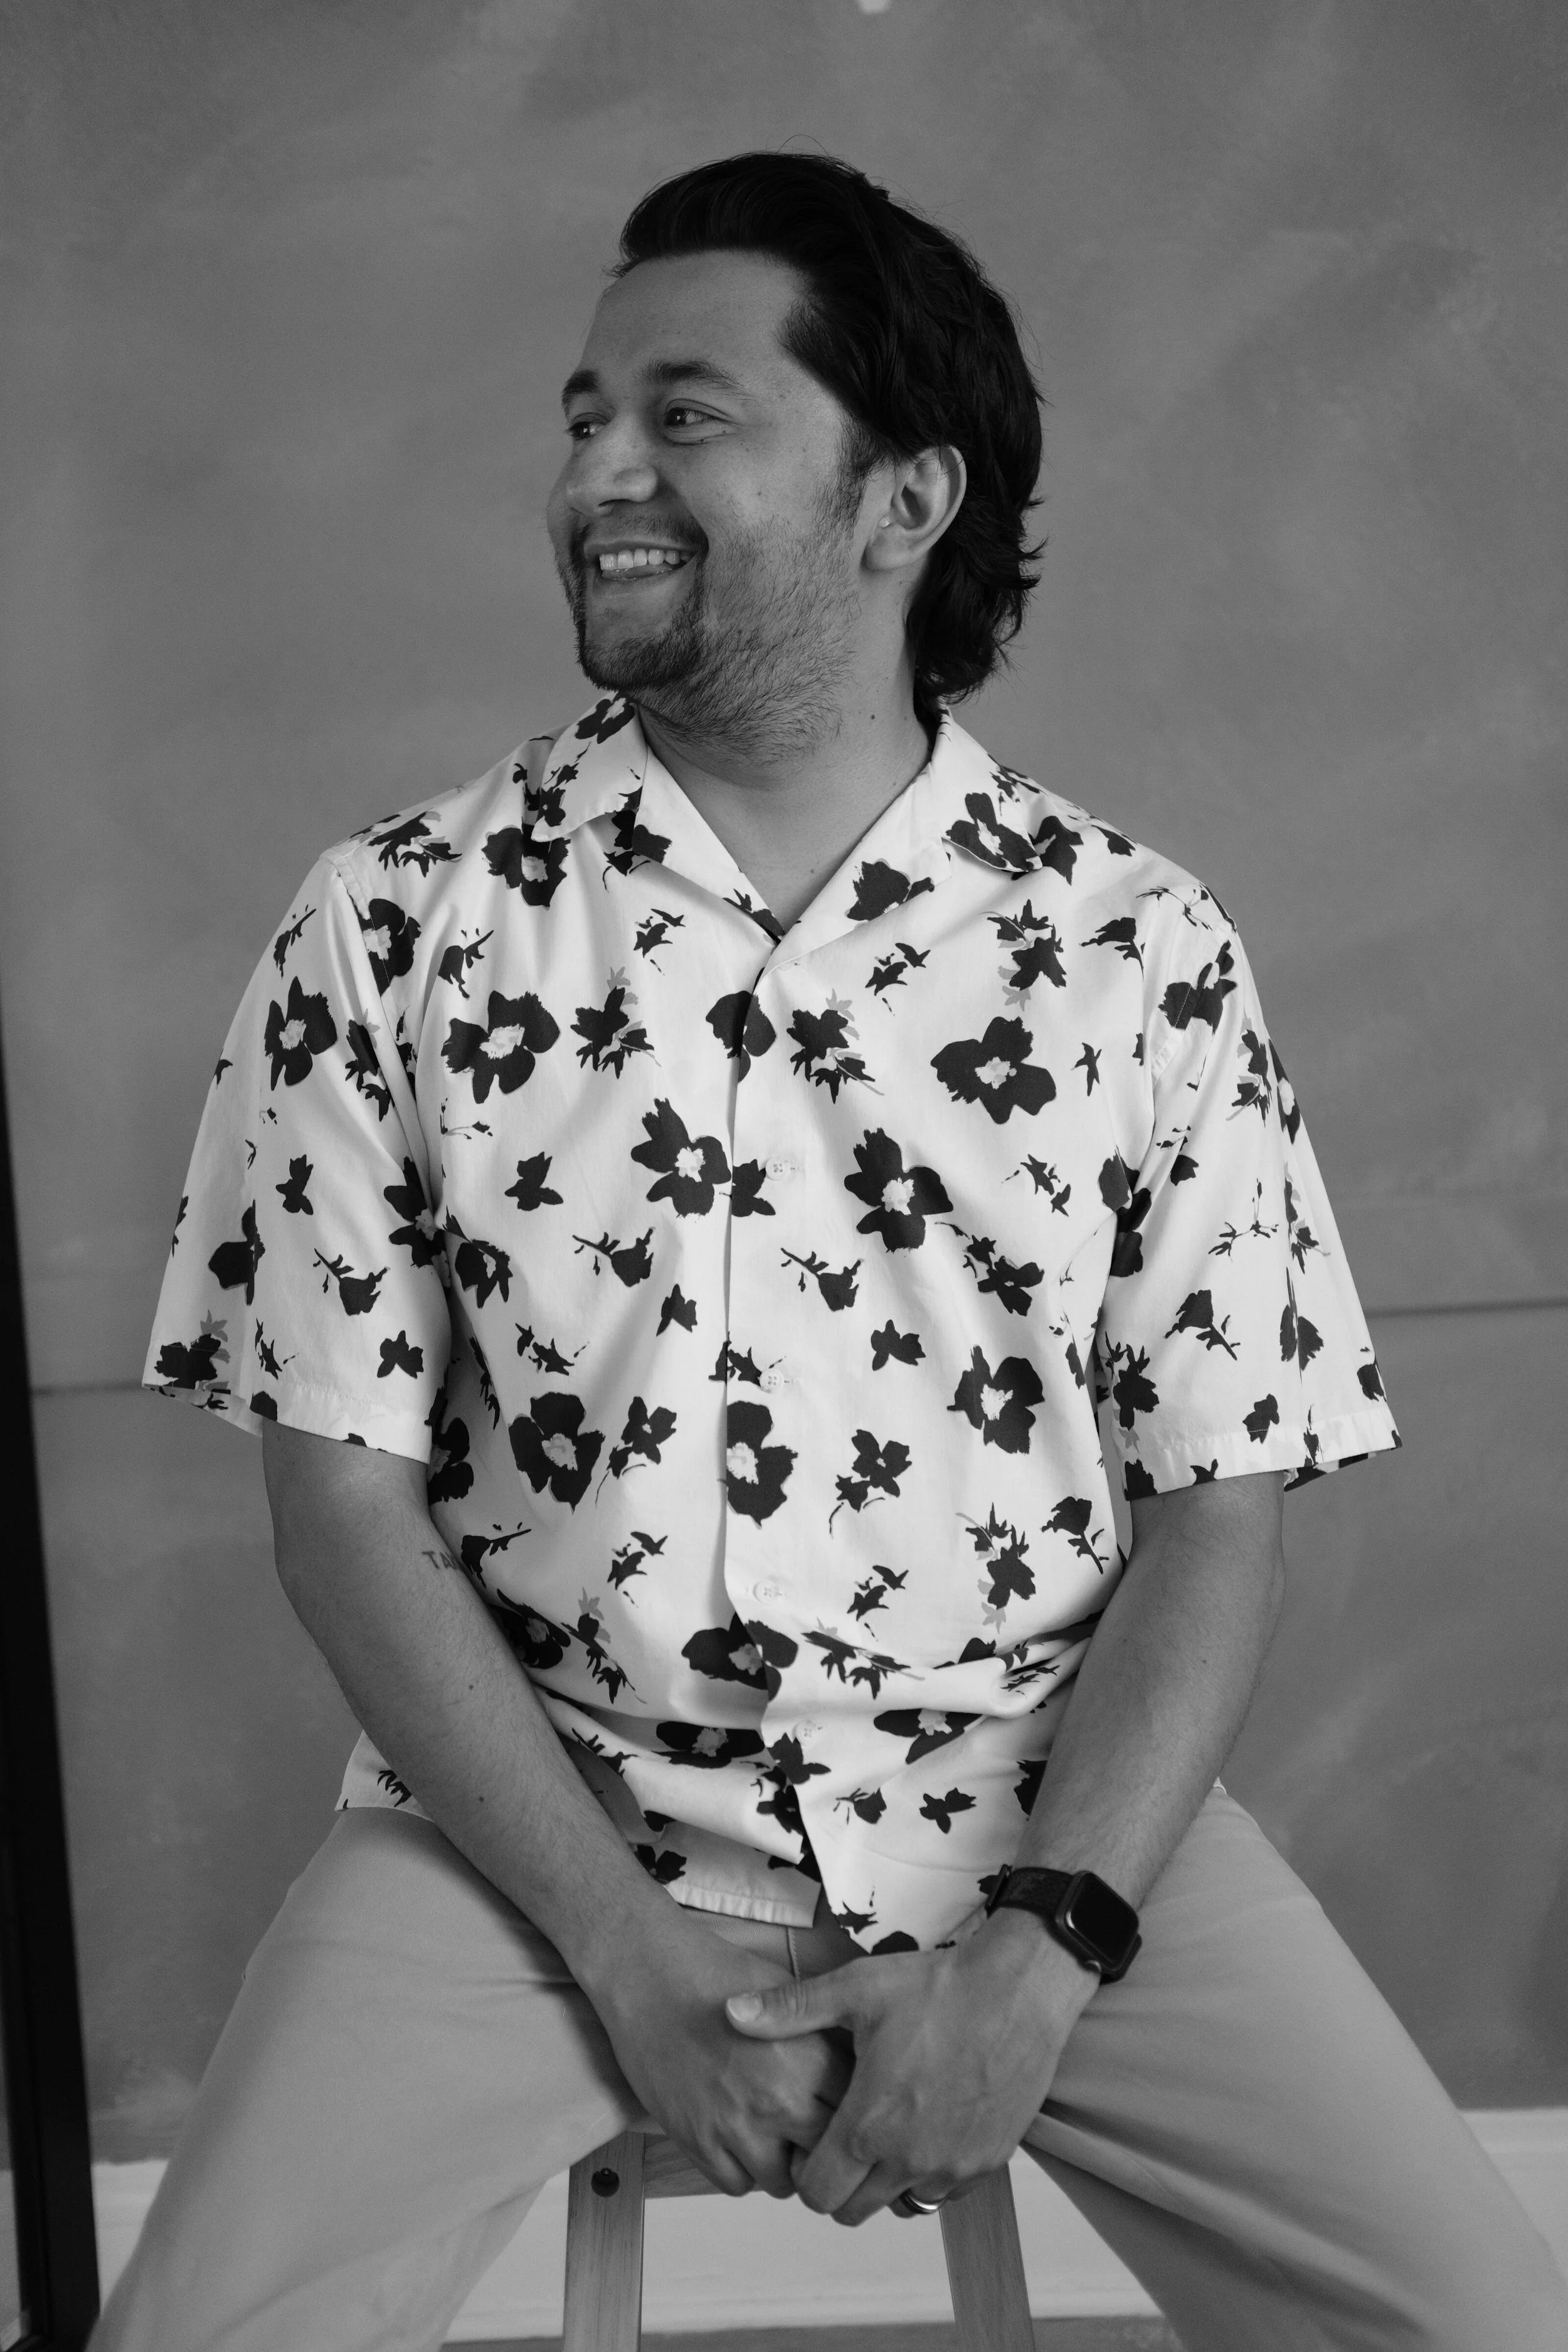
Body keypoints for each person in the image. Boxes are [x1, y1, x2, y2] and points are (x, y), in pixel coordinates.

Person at [98, 153, 1564, 2351]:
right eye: (584, 414)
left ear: (903, 500)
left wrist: (1042, 1951)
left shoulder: (1136, 952)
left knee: (1483, 2325)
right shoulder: (391, 927)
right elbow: (340, 1504)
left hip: (1039, 1815)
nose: (596, 468)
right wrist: (616, 1946)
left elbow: (1215, 1509)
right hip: (529, 1830)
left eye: (682, 414)